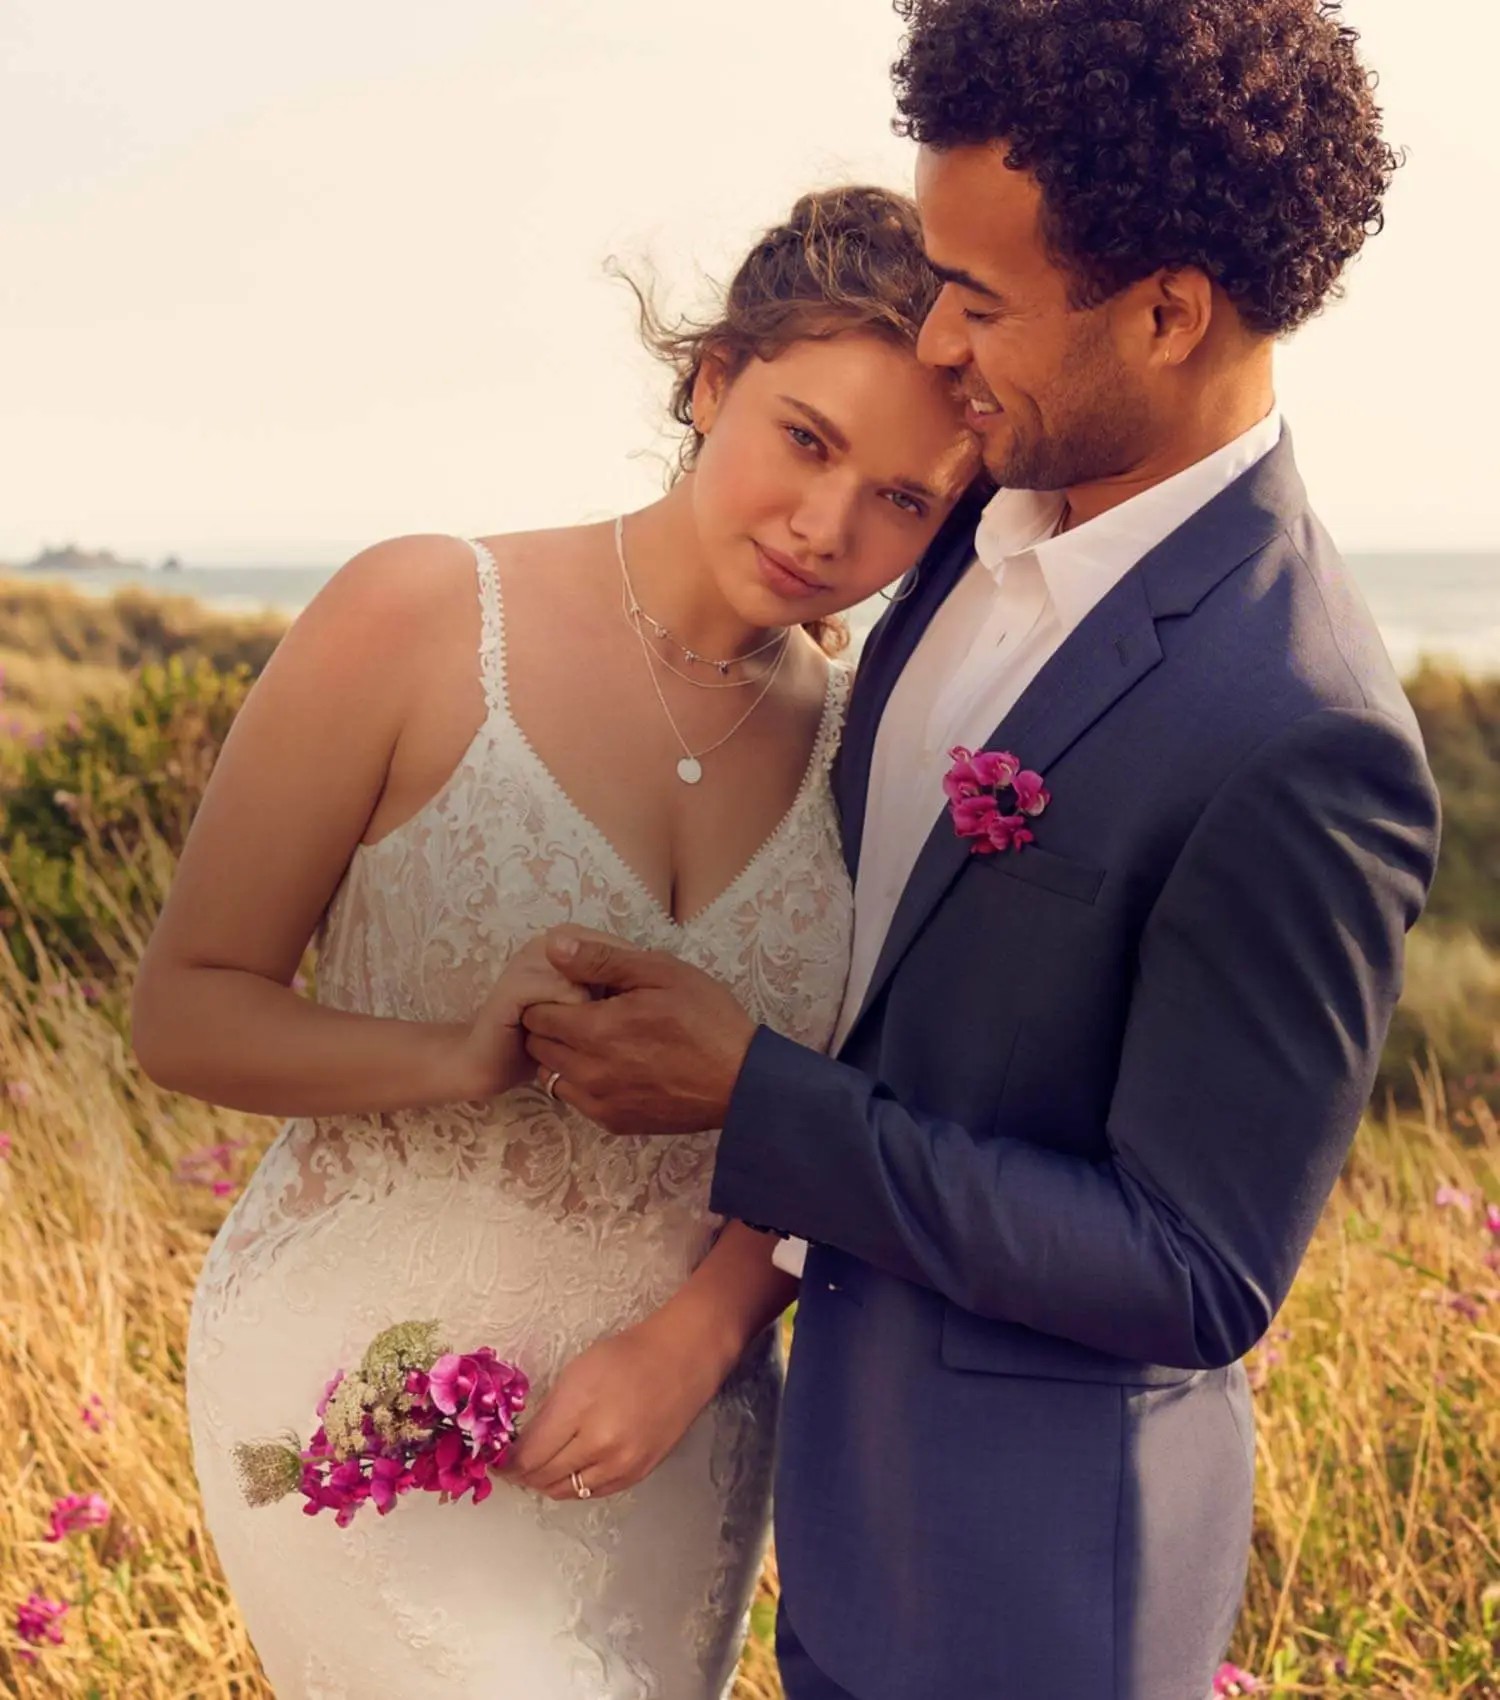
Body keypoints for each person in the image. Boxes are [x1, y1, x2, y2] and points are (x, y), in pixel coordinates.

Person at [517, 3, 1444, 1697]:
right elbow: (910, 999)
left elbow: (1196, 1268)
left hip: (1033, 1592)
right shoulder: (973, 517)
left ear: (1167, 312)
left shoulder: (1300, 733)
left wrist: (755, 1099)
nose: (938, 339)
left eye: (984, 299)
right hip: (836, 1521)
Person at [130, 185, 978, 1698]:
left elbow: (849, 1117)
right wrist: (454, 1057)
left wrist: (703, 1341)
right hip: (363, 1389)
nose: (828, 527)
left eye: (906, 502)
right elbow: (185, 1013)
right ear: (716, 379)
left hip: (669, 1425)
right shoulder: (418, 614)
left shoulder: (874, 751)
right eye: (806, 437)